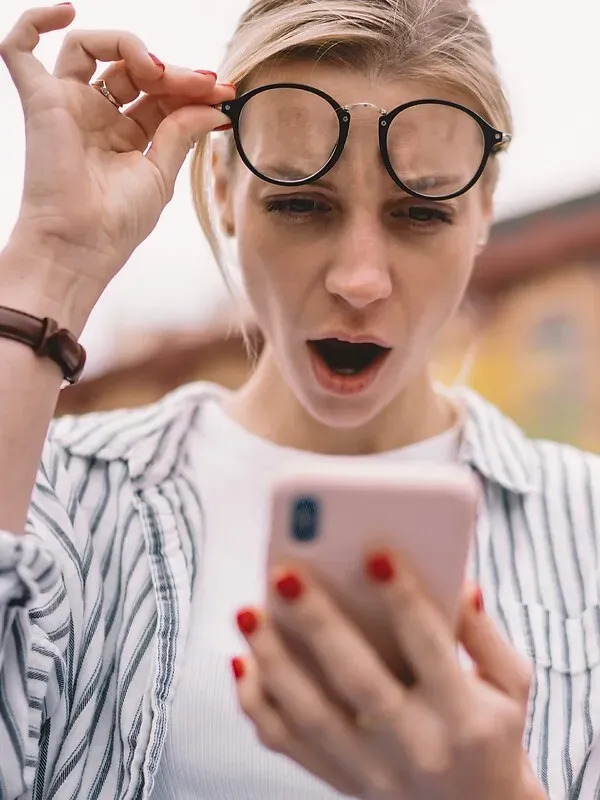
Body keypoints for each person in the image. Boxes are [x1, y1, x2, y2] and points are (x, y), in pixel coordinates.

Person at [0, 0, 596, 797]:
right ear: (221, 190)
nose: (359, 279)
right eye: (300, 202)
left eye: (419, 213)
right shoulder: (62, 495)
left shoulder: (587, 529)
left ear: (483, 208)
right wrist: (51, 259)